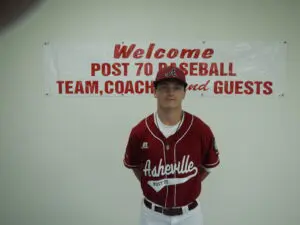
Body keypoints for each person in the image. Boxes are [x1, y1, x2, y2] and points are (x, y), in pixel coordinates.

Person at [123, 65, 220, 225]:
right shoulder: (140, 131)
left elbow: (208, 166)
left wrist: (188, 185)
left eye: (176, 87)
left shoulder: (200, 129)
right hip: (152, 215)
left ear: (184, 93)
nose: (170, 92)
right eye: (164, 87)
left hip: (190, 216)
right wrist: (154, 184)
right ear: (155, 92)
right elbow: (135, 166)